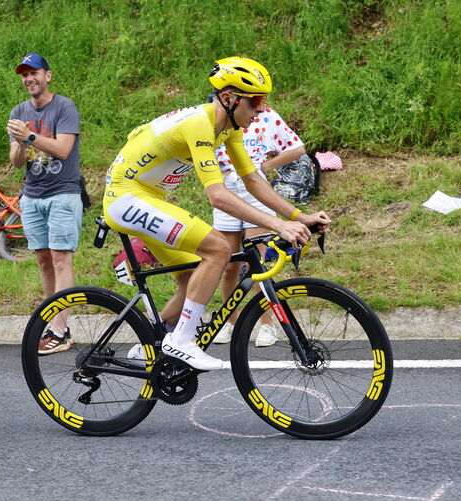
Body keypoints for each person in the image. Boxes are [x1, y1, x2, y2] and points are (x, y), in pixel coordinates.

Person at [102, 56, 331, 371]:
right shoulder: (199, 123)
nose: (262, 108)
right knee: (219, 248)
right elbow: (218, 195)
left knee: (194, 278)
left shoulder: (228, 128)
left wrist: (297, 217)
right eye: (256, 101)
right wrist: (277, 224)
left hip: (148, 197)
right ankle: (181, 341)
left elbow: (253, 181)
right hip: (126, 197)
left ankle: (150, 349)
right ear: (228, 98)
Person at [210, 104, 308, 347]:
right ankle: (229, 322)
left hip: (257, 191)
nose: (255, 102)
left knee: (256, 265)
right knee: (228, 265)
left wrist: (266, 166)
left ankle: (267, 324)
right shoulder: (219, 117)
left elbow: (297, 147)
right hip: (226, 189)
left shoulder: (266, 116)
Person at [6, 52, 83, 355]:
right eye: (24, 75)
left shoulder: (64, 107)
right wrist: (20, 143)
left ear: (47, 76)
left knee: (61, 259)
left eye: (34, 73)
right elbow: (15, 162)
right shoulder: (18, 110)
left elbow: (63, 150)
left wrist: (31, 135)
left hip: (63, 192)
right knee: (42, 259)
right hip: (32, 195)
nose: (29, 79)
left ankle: (61, 331)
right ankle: (53, 323)